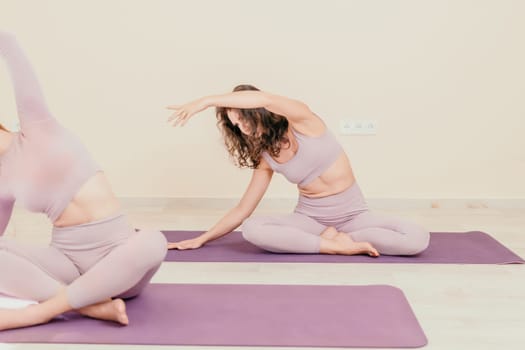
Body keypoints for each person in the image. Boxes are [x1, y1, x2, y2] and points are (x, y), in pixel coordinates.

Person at [0, 32, 167, 331]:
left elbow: (10, 48)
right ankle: (92, 306)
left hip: (119, 255)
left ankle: (44, 311)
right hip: (65, 262)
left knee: (154, 241)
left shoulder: (36, 125)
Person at [167, 84, 430, 257]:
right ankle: (333, 246)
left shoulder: (304, 122)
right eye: (235, 124)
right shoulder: (266, 156)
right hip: (310, 221)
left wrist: (206, 101)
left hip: (354, 216)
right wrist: (202, 239)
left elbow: (266, 98)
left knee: (417, 238)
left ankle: (342, 237)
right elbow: (243, 210)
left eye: (244, 118)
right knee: (252, 229)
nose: (242, 128)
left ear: (260, 112)